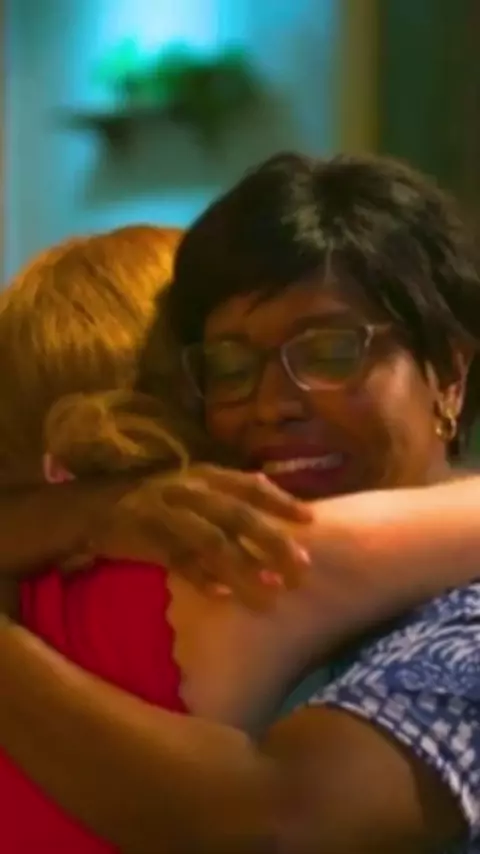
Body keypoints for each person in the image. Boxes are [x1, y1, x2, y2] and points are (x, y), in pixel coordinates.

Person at [0, 152, 478, 854]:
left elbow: (279, 819)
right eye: (229, 366)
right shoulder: (198, 564)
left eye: (330, 351)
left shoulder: (465, 621)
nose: (272, 403)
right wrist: (100, 511)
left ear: (449, 373)